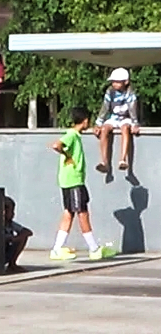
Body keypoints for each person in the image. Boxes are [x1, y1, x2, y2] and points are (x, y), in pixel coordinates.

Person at [49, 107, 117, 261]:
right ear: (85, 121)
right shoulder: (72, 135)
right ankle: (94, 249)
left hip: (69, 180)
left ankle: (57, 249)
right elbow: (56, 145)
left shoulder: (75, 135)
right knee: (82, 213)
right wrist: (67, 155)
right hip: (74, 180)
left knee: (69, 213)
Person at [96, 67, 141, 172]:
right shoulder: (110, 91)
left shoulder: (130, 93)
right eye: (113, 82)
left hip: (126, 117)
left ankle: (122, 159)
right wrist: (99, 123)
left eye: (117, 82)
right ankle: (104, 161)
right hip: (113, 117)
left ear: (126, 82)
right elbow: (105, 107)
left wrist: (135, 124)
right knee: (104, 130)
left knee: (125, 129)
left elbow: (132, 108)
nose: (114, 84)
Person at [3, 196, 32, 272]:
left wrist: (14, 239)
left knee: (23, 237)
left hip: (5, 253)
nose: (12, 214)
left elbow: (28, 232)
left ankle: (12, 264)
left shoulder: (10, 224)